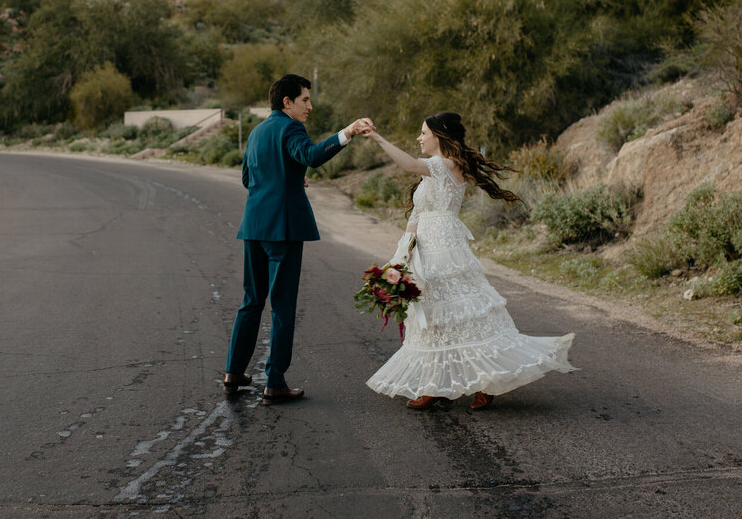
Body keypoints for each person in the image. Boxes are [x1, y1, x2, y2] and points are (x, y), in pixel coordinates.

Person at [364, 112, 576, 410]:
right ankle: (434, 384)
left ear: (439, 135)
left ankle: (487, 382)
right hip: (422, 244)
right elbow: (417, 213)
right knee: (432, 312)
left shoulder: (447, 165)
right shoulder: (432, 172)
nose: (419, 138)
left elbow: (409, 164)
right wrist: (404, 252)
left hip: (444, 245)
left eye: (423, 133)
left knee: (463, 311)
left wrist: (378, 138)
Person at [223, 73, 373, 405]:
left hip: (254, 227)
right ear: (287, 102)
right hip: (284, 229)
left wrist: (289, 180)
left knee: (251, 301)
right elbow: (312, 156)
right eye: (305, 99)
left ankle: (233, 372)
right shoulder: (291, 128)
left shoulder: (257, 131)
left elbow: (249, 178)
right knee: (283, 307)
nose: (310, 105)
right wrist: (347, 132)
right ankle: (274, 383)